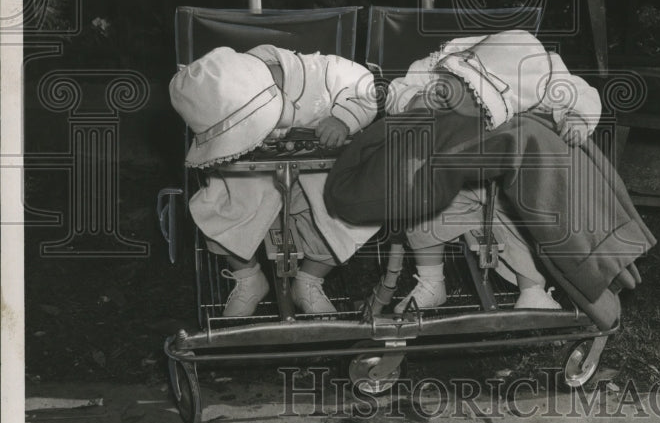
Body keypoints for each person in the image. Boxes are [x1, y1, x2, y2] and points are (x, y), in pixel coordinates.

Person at [384, 29, 605, 312]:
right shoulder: (435, 69)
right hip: (450, 170)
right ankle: (431, 281)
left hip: (504, 177)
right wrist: (414, 101)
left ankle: (532, 288)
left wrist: (577, 117)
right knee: (422, 205)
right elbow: (397, 90)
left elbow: (577, 91)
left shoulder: (533, 69)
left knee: (521, 219)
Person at [169, 43, 378, 317]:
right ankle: (248, 277)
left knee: (340, 216)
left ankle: (309, 280)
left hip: (316, 174)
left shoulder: (324, 73)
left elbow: (365, 87)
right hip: (254, 176)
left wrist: (343, 119)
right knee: (220, 207)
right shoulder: (228, 90)